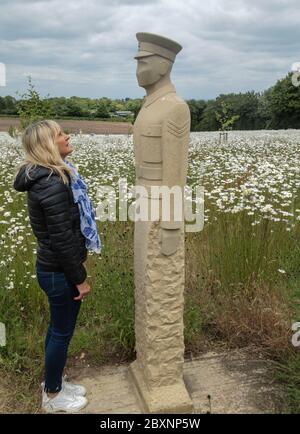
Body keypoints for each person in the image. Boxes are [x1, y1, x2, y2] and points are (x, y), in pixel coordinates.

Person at [13, 120, 101, 413]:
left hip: (52, 270)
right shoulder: (53, 182)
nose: (67, 137)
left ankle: (56, 382)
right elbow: (62, 239)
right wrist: (79, 278)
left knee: (57, 330)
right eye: (61, 134)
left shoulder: (50, 177)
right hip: (59, 272)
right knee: (61, 333)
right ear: (50, 145)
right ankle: (53, 396)